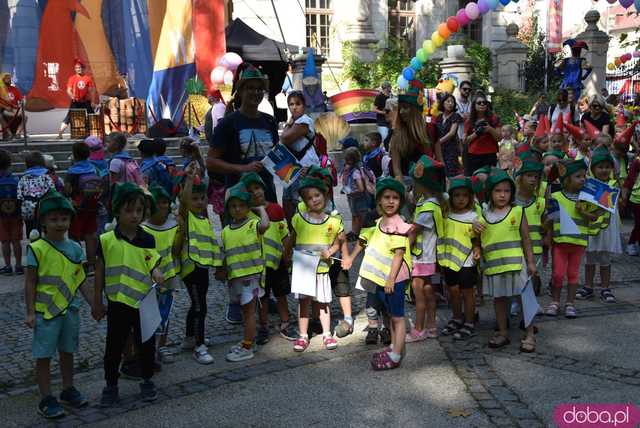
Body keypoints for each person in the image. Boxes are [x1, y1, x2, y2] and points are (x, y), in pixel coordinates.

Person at [93, 183, 164, 406]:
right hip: (117, 302)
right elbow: (100, 272)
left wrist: (157, 272)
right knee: (114, 346)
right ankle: (111, 384)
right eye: (129, 210)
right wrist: (97, 301)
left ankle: (147, 379)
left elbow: (151, 263)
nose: (134, 216)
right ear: (117, 211)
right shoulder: (106, 241)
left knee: (146, 344)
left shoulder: (148, 239)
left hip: (143, 302)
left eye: (139, 211)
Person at [24, 190, 90, 418]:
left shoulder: (74, 248)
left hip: (70, 311)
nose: (60, 224)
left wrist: (95, 305)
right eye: (54, 219)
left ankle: (67, 388)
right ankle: (46, 397)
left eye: (64, 218)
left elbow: (80, 279)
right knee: (43, 355)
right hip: (46, 313)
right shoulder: (37, 248)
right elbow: (30, 282)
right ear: (43, 221)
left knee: (67, 351)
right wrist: (30, 312)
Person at [343, 177, 411, 370]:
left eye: (395, 198)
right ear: (379, 200)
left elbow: (399, 254)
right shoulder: (379, 222)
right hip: (381, 279)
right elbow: (365, 241)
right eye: (386, 197)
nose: (391, 201)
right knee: (390, 314)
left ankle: (396, 355)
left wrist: (390, 278)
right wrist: (351, 257)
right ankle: (393, 347)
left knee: (397, 317)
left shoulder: (398, 224)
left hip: (393, 279)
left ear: (400, 202)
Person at [474, 169, 537, 352]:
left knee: (524, 298)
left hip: (517, 264)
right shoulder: (484, 216)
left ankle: (530, 333)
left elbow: (526, 239)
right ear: (490, 193)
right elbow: (478, 240)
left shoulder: (517, 211)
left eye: (507, 191)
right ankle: (503, 332)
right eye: (498, 191)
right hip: (494, 266)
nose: (502, 195)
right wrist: (477, 245)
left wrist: (531, 262)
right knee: (499, 300)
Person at [290, 173, 345, 352]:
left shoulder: (334, 222)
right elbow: (292, 238)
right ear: (304, 202)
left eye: (317, 195)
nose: (314, 200)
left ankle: (327, 334)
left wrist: (331, 250)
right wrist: (285, 256)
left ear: (325, 195)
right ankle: (303, 335)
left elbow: (339, 241)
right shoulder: (298, 219)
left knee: (323, 303)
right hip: (302, 269)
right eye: (309, 198)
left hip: (321, 269)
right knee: (304, 303)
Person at [241, 172, 298, 342]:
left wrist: (287, 254)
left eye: (257, 188)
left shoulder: (275, 209)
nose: (255, 193)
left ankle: (286, 322)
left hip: (277, 261)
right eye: (250, 191)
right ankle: (263, 327)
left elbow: (285, 234)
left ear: (263, 188)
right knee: (262, 298)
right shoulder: (247, 215)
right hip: (258, 265)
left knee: (281, 294)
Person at [208, 65, 278, 203]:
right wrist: (243, 168)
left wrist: (296, 172)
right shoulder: (228, 123)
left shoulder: (269, 121)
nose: (255, 92)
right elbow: (210, 161)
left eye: (259, 89)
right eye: (250, 88)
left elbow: (276, 155)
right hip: (239, 200)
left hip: (267, 196)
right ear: (240, 91)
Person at [177, 164, 221, 363]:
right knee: (199, 307)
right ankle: (199, 345)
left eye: (202, 198)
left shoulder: (204, 219)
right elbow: (185, 200)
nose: (199, 202)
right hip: (191, 269)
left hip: (202, 268)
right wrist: (190, 178)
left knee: (197, 305)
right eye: (195, 199)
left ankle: (189, 338)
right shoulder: (186, 217)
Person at [220, 183, 269, 362]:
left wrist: (260, 209)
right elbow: (226, 254)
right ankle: (249, 340)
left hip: (252, 277)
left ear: (248, 207)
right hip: (237, 279)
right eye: (233, 206)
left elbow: (265, 225)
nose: (237, 209)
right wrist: (223, 271)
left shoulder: (252, 224)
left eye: (241, 205)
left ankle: (248, 347)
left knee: (248, 313)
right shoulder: (226, 231)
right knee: (244, 312)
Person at [544, 159, 597, 318]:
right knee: (558, 274)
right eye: (578, 176)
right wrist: (547, 234)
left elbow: (593, 217)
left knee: (573, 274)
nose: (583, 179)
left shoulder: (586, 197)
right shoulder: (556, 196)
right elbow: (550, 219)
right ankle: (555, 302)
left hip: (579, 243)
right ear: (567, 179)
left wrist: (583, 212)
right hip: (560, 243)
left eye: (584, 176)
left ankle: (570, 303)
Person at [405, 155, 445, 342]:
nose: (413, 188)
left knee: (418, 292)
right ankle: (431, 327)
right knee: (429, 292)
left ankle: (419, 329)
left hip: (422, 258)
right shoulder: (433, 203)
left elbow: (414, 231)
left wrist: (404, 250)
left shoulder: (428, 206)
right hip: (431, 258)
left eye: (415, 184)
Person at [141, 186, 181, 365]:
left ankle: (162, 347)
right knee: (148, 315)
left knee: (165, 313)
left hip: (168, 276)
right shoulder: (142, 228)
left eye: (165, 202)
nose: (161, 206)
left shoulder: (173, 225)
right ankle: (147, 350)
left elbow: (175, 250)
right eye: (157, 203)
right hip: (147, 279)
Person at [577, 147, 622, 303]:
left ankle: (605, 288)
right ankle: (588, 287)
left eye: (607, 167)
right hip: (591, 226)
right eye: (600, 166)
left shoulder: (614, 184)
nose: (604, 170)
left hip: (606, 228)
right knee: (589, 257)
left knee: (604, 258)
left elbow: (616, 204)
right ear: (593, 168)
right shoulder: (587, 184)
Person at [439, 176, 479, 340]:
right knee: (453, 291)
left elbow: (477, 239)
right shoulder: (446, 215)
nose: (461, 199)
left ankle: (469, 321)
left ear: (470, 197)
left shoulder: (474, 216)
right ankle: (457, 317)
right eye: (457, 195)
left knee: (468, 292)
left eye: (464, 195)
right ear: (451, 197)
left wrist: (477, 248)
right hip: (449, 260)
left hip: (467, 261)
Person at [280, 90, 319, 220]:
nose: (294, 107)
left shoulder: (304, 121)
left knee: (301, 201)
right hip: (291, 165)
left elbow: (285, 138)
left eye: (298, 103)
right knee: (287, 200)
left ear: (304, 105)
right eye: (291, 104)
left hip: (305, 165)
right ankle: (293, 234)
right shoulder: (293, 122)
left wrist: (289, 124)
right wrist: (289, 123)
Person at [65, 142, 102, 275]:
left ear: (74, 155)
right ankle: (92, 264)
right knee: (90, 234)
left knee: (74, 235)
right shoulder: (94, 168)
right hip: (92, 206)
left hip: (77, 207)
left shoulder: (72, 171)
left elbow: (67, 189)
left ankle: (78, 262)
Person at [390, 85, 440, 180]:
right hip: (405, 182)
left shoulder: (431, 129)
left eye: (405, 108)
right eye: (400, 108)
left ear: (415, 110)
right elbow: (397, 169)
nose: (401, 112)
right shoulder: (397, 133)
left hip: (428, 181)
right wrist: (403, 189)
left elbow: (440, 161)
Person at [463, 93, 502, 175]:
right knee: (475, 180)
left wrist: (489, 129)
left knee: (489, 180)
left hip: (490, 155)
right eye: (479, 103)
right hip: (473, 155)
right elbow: (465, 141)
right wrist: (477, 133)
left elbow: (499, 138)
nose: (482, 104)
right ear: (474, 105)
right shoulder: (469, 120)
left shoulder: (494, 118)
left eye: (484, 102)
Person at [18, 151, 55, 236]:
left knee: (32, 233)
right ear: (43, 164)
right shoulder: (46, 177)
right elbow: (53, 192)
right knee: (48, 231)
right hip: (45, 208)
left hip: (28, 210)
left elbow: (19, 196)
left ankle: (34, 247)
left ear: (27, 165)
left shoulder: (23, 178)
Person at [341, 147, 374, 240]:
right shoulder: (353, 169)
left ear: (351, 160)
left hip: (359, 197)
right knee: (355, 215)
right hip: (354, 197)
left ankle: (364, 234)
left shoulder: (355, 172)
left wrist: (350, 192)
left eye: (346, 159)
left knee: (362, 216)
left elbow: (361, 188)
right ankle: (355, 233)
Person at [58, 60, 96, 139]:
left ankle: (94, 134)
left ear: (83, 68)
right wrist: (72, 96)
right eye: (77, 68)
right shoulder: (72, 78)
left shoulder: (88, 78)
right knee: (69, 117)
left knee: (91, 116)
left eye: (80, 68)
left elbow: (92, 91)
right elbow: (68, 90)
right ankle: (60, 133)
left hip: (86, 101)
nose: (78, 69)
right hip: (75, 101)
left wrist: (92, 101)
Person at [0, 149, 23, 275]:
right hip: (16, 215)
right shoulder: (15, 179)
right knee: (16, 240)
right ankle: (18, 265)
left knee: (5, 241)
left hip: (1, 216)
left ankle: (8, 266)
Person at [436, 93, 463, 177]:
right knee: (440, 172)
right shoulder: (439, 117)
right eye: (448, 101)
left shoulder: (455, 116)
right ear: (443, 103)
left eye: (452, 102)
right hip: (439, 150)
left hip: (451, 149)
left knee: (450, 173)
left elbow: (452, 133)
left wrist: (438, 142)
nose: (450, 103)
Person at [0, 73, 26, 140]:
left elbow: (21, 99)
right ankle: (9, 134)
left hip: (14, 109)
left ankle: (18, 133)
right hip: (5, 109)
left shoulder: (14, 89)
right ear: (3, 80)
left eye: (10, 78)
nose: (9, 80)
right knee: (0, 116)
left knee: (25, 117)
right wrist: (5, 107)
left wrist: (21, 103)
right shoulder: (1, 90)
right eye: (7, 78)